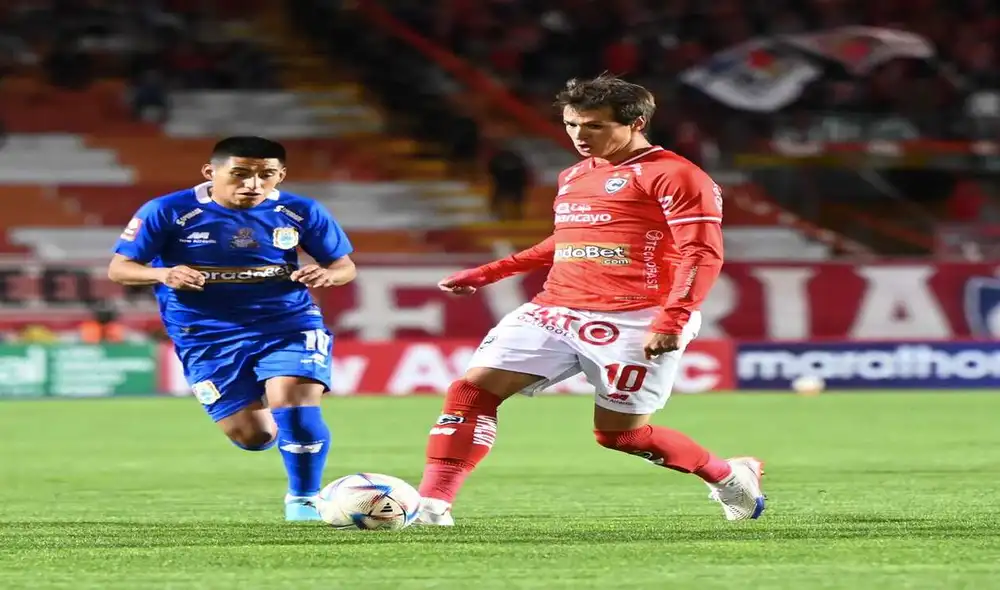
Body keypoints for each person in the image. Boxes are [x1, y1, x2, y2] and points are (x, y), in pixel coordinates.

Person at [414, 75, 765, 526]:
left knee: (620, 436)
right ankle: (433, 506)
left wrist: (673, 318)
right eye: (571, 125)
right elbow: (565, 241)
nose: (579, 136)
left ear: (636, 123)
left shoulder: (677, 175)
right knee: (472, 390)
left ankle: (729, 475)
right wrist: (487, 273)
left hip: (637, 317)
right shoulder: (575, 175)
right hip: (555, 309)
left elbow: (702, 252)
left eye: (594, 126)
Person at [107, 136, 356, 521]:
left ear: (281, 175)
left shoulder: (300, 211)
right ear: (211, 172)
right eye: (240, 174)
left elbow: (344, 266)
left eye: (266, 175)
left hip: (287, 322)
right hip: (205, 334)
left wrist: (327, 274)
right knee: (253, 436)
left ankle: (304, 500)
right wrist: (164, 272)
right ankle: (285, 432)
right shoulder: (168, 211)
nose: (253, 184)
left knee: (295, 404)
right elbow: (120, 268)